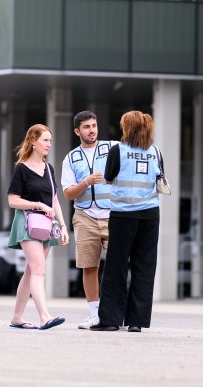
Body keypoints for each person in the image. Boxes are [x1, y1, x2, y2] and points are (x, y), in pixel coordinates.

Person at [92, 111, 162, 333]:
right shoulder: (155, 151)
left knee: (116, 266)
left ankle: (111, 320)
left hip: (123, 214)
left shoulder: (118, 150)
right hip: (150, 215)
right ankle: (137, 322)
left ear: (127, 128)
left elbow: (109, 176)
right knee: (144, 267)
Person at [7, 124, 69, 331]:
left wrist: (62, 225)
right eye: (45, 140)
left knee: (31, 271)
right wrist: (37, 205)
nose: (49, 144)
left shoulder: (49, 169)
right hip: (27, 223)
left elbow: (55, 201)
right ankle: (44, 316)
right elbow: (13, 201)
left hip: (47, 226)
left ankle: (17, 317)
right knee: (39, 269)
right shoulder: (21, 168)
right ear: (33, 141)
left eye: (50, 141)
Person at [61, 111, 117, 329]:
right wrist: (86, 182)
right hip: (84, 216)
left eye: (94, 125)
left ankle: (115, 312)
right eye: (86, 127)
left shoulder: (112, 147)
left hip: (112, 215)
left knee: (116, 266)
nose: (92, 130)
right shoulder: (71, 157)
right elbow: (67, 194)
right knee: (89, 267)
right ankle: (94, 313)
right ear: (77, 131)